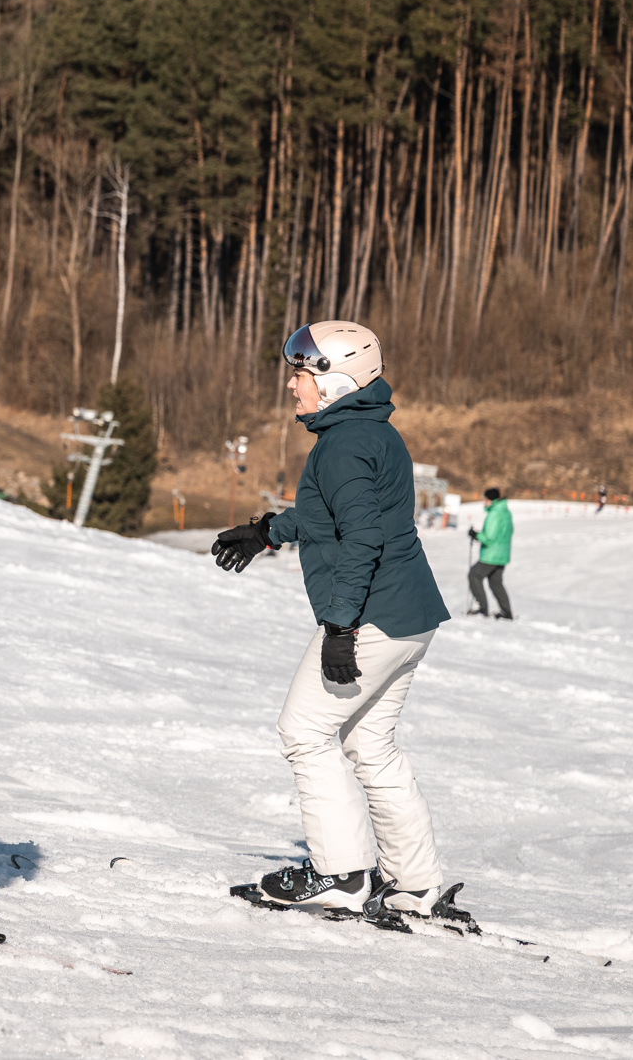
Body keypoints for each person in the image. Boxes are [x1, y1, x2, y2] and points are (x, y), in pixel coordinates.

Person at [212, 319, 454, 921]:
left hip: (372, 616)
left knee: (305, 732)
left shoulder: (343, 444)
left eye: (302, 374)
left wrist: (340, 627)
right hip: (409, 615)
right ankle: (414, 883)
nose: (293, 386)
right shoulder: (371, 432)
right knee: (371, 746)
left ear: (337, 381)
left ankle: (341, 872)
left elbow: (365, 536)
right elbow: (337, 518)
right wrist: (269, 530)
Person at [467, 486, 513, 620]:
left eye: (485, 498)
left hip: (491, 555)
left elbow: (489, 537)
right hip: (502, 554)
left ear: (489, 499)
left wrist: (476, 535)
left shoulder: (494, 513)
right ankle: (506, 612)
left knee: (474, 575)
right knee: (495, 582)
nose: (484, 501)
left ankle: (483, 609)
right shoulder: (505, 512)